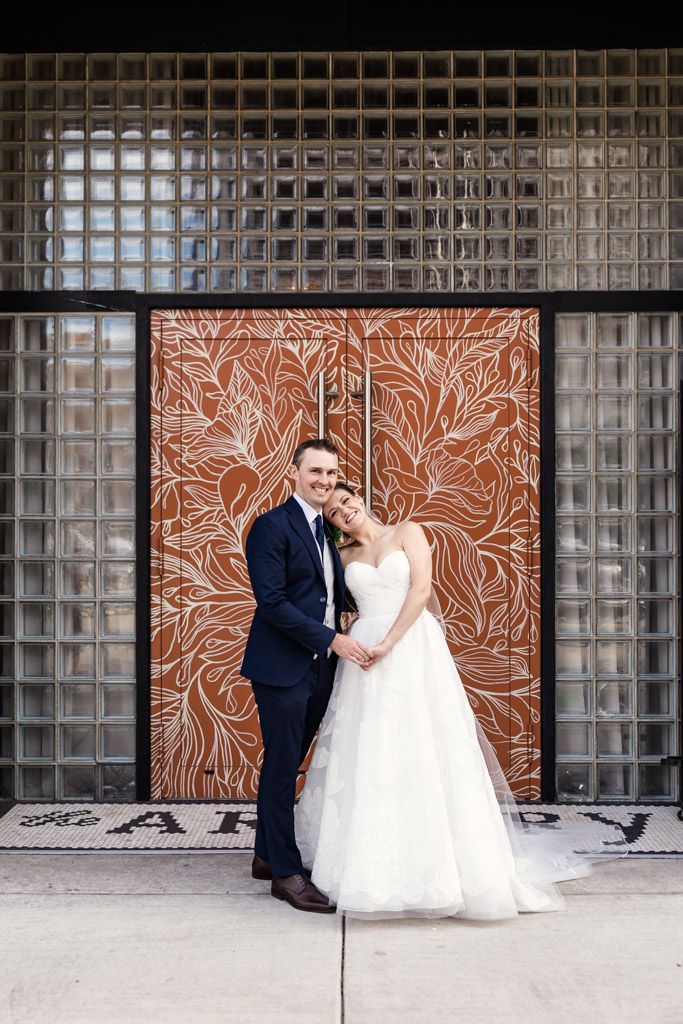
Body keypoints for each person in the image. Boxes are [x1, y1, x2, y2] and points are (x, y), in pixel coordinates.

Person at [295, 483, 626, 920]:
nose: (344, 511)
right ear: (333, 524)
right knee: (372, 749)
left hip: (410, 646)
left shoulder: (407, 532)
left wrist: (389, 643)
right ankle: (369, 863)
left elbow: (420, 591)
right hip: (364, 657)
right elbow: (329, 606)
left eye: (347, 501)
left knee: (426, 743)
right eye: (335, 512)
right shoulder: (342, 558)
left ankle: (445, 866)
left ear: (360, 498)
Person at [241, 441, 373, 914]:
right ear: (294, 472)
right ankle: (287, 874)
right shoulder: (271, 526)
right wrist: (331, 639)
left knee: (287, 762)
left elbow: (325, 594)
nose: (324, 480)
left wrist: (355, 616)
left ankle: (264, 855)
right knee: (281, 768)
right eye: (315, 471)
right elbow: (272, 603)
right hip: (281, 668)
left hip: (320, 669)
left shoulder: (327, 533)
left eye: (332, 473)